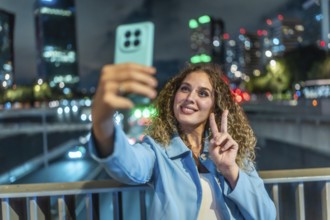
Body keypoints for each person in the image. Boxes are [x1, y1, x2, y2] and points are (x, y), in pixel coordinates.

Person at [90, 62, 276, 220]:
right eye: (185, 89)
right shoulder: (157, 151)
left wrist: (230, 170)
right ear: (173, 97)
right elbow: (126, 165)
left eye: (203, 93)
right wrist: (102, 121)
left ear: (215, 106)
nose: (189, 98)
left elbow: (266, 215)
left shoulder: (231, 152)